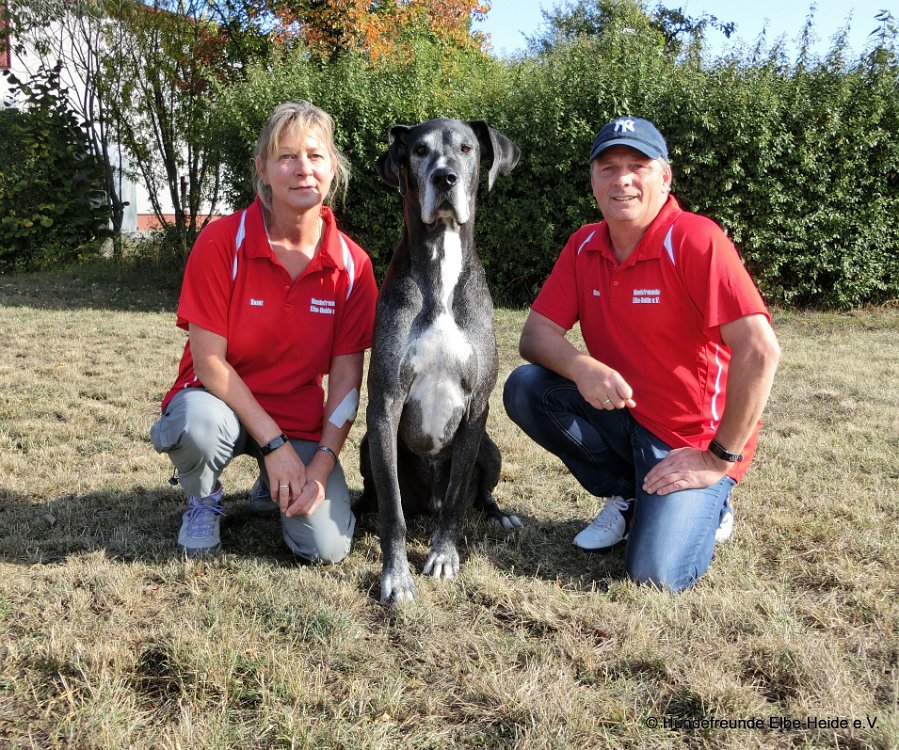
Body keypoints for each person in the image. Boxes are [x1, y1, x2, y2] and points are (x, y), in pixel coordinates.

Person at [503, 116, 780, 592]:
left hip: (689, 440)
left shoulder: (695, 239)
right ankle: (630, 492)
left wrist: (718, 457)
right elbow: (535, 336)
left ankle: (715, 496)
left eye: (638, 166)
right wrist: (581, 366)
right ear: (593, 180)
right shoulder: (583, 243)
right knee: (527, 387)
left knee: (655, 576)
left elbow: (759, 350)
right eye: (608, 168)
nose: (622, 180)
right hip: (624, 415)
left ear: (665, 177)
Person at [150, 100, 378, 561]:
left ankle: (267, 485)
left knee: (326, 548)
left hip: (298, 418)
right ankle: (204, 497)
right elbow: (211, 364)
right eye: (287, 156)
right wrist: (274, 445)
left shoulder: (354, 265)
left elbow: (347, 382)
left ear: (333, 167)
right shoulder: (221, 242)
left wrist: (321, 462)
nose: (303, 169)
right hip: (217, 404)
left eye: (315, 156)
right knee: (198, 426)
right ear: (263, 168)